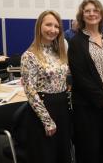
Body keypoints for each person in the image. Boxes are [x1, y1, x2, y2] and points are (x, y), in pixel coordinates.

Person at [68, 0, 103, 163]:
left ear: (101, 14)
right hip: (88, 108)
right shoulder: (76, 42)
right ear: (82, 15)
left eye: (95, 10)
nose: (92, 14)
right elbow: (80, 77)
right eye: (87, 11)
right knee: (89, 152)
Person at [21, 10, 71, 163]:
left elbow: (65, 79)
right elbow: (30, 90)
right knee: (45, 156)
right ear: (39, 26)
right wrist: (47, 120)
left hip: (62, 108)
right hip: (43, 111)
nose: (53, 29)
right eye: (48, 24)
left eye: (56, 26)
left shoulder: (59, 53)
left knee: (63, 155)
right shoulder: (29, 55)